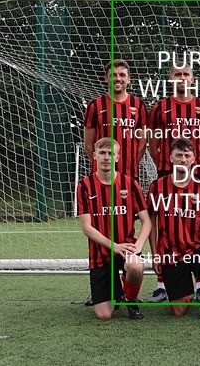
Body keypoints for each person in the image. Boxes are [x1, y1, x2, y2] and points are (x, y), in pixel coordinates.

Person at [147, 60, 200, 302]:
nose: (181, 78)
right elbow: (153, 143)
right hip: (168, 172)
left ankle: (199, 284)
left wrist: (198, 165)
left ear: (192, 79)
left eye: (186, 74)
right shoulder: (160, 108)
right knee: (166, 227)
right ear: (171, 78)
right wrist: (164, 165)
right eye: (177, 74)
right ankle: (162, 284)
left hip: (193, 173)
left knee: (193, 225)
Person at [146, 138, 200, 319]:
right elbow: (150, 223)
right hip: (170, 253)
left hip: (196, 248)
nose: (183, 159)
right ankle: (185, 293)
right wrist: (155, 253)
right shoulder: (157, 187)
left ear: (193, 159)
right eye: (179, 155)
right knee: (179, 312)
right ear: (170, 158)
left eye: (187, 155)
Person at [77, 137, 152, 320]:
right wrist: (114, 246)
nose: (106, 157)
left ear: (117, 158)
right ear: (94, 156)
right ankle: (117, 292)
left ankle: (131, 300)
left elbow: (147, 221)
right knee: (104, 315)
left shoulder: (130, 184)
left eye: (111, 153)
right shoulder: (85, 186)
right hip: (100, 254)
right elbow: (87, 227)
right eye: (102, 153)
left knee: (135, 266)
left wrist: (139, 246)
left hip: (126, 249)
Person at [84, 59, 148, 180]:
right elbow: (88, 145)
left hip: (129, 174)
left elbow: (142, 145)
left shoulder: (139, 105)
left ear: (128, 79)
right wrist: (101, 163)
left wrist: (131, 162)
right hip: (101, 175)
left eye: (122, 75)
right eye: (113, 75)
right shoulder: (95, 105)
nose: (118, 78)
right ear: (106, 78)